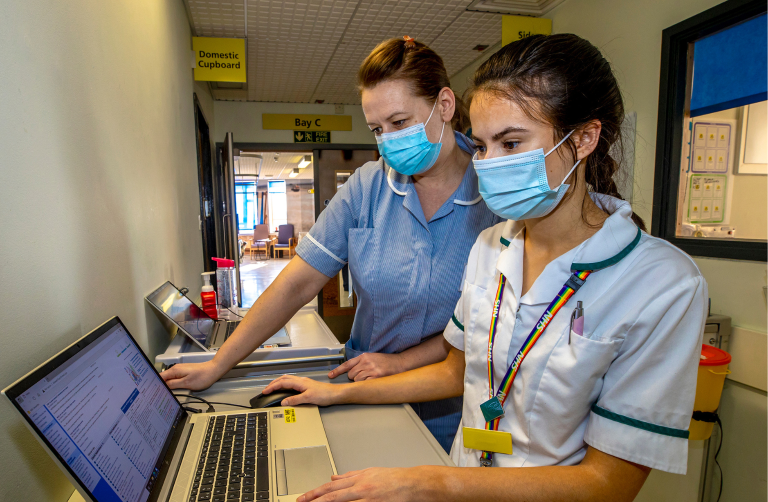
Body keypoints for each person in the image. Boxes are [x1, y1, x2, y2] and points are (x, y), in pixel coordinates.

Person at [260, 34, 708, 502]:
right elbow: (456, 373)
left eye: (511, 143)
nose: (489, 164)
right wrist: (336, 393)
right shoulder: (492, 245)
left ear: (583, 139)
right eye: (482, 145)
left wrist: (425, 481)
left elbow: (607, 484)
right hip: (462, 474)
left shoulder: (664, 285)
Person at [160, 36, 502, 452]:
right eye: (377, 129)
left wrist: (399, 363)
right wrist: (217, 364)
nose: (388, 140)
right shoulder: (366, 189)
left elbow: (487, 325)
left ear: (444, 106)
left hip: (453, 402)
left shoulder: (498, 195)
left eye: (400, 122)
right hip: (363, 385)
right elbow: (296, 284)